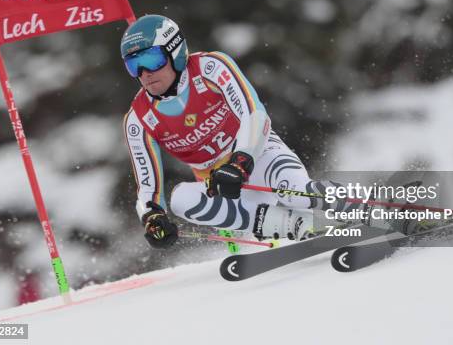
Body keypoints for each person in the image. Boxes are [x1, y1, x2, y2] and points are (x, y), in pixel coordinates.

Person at [122, 15, 358, 249]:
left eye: (151, 60)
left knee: (295, 194)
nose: (144, 73)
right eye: (134, 65)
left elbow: (255, 114)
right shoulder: (138, 118)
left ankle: (364, 208)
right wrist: (152, 218)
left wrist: (240, 162)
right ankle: (299, 226)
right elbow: (148, 187)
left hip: (258, 155)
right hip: (222, 186)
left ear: (175, 52)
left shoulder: (210, 68)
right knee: (181, 200)